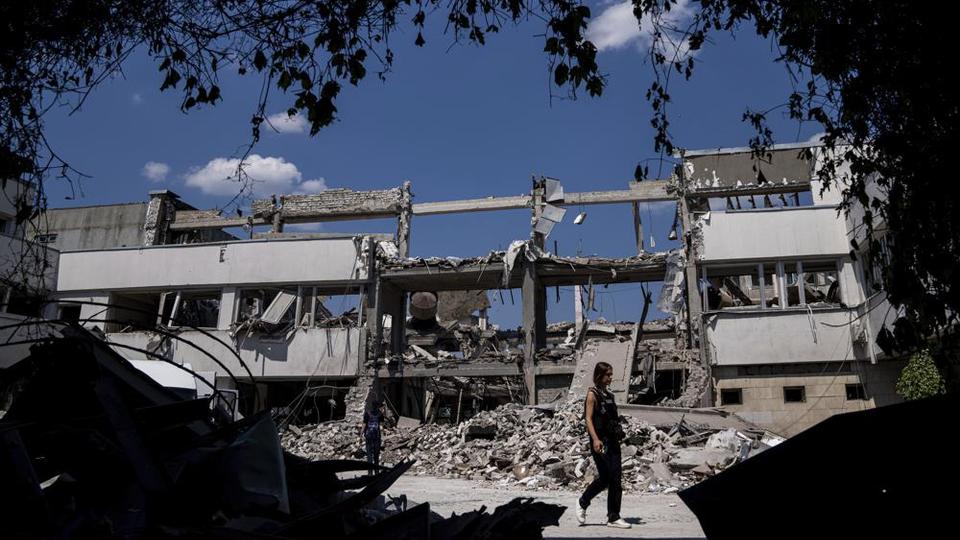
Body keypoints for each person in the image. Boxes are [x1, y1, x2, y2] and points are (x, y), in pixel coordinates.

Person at [577, 361, 631, 529]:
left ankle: (613, 517)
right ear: (599, 375)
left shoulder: (609, 395)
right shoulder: (592, 394)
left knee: (615, 479)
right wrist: (595, 439)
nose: (610, 378)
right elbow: (588, 418)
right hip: (600, 442)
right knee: (606, 477)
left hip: (613, 440)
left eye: (611, 375)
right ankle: (583, 502)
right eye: (608, 375)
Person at [360, 400, 387, 474]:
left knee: (369, 455)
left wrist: (361, 434)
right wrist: (383, 411)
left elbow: (364, 424)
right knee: (376, 455)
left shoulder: (367, 413)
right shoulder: (380, 414)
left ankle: (370, 473)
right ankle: (377, 472)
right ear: (378, 407)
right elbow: (382, 425)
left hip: (368, 436)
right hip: (377, 437)